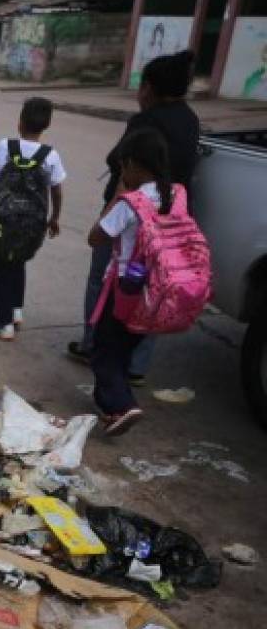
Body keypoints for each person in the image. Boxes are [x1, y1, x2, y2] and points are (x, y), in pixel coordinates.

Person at [68, 50, 200, 381]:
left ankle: (94, 345)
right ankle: (136, 365)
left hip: (131, 216)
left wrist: (110, 211)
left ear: (151, 89)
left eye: (142, 87)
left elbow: (117, 161)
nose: (139, 94)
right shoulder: (190, 120)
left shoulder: (146, 122)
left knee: (104, 279)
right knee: (154, 288)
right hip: (170, 218)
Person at [86, 128, 176, 436]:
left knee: (103, 349)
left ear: (136, 165)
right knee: (124, 348)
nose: (123, 172)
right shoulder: (175, 195)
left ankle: (121, 406)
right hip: (158, 289)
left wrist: (118, 195)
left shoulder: (131, 202)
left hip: (125, 288)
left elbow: (95, 237)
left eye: (124, 166)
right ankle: (113, 404)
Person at [0, 97, 66, 340]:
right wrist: (54, 218)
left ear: (19, 123)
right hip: (33, 224)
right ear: (46, 125)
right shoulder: (51, 155)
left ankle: (4, 323)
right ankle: (17, 310)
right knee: (18, 262)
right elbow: (57, 190)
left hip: (1, 222)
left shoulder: (5, 146)